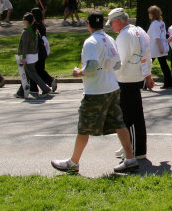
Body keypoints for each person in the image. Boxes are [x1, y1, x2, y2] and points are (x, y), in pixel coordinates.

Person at [51, 11, 138, 174]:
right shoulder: (110, 39)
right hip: (112, 87)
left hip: (95, 91)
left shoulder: (91, 42)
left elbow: (91, 66)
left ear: (88, 24)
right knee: (119, 123)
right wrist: (103, 68)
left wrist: (79, 72)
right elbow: (117, 64)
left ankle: (73, 163)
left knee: (84, 127)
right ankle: (130, 158)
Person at [107, 8, 152, 160]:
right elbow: (147, 55)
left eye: (112, 23)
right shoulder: (138, 30)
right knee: (134, 115)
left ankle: (135, 149)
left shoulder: (124, 35)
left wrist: (107, 73)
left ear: (118, 21)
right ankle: (132, 145)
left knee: (130, 117)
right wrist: (147, 75)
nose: (111, 27)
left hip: (126, 79)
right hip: (135, 77)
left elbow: (120, 61)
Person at [16, 12, 53, 98]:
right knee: (27, 74)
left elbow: (25, 46)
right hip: (34, 55)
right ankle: (20, 92)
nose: (23, 21)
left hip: (28, 56)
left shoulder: (26, 32)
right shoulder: (35, 31)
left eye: (23, 20)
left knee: (33, 75)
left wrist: (24, 58)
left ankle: (46, 89)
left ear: (26, 21)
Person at [29, 7, 56, 96]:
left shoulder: (34, 26)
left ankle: (47, 81)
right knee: (38, 69)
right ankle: (35, 86)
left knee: (35, 70)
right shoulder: (42, 24)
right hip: (43, 50)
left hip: (37, 50)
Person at [147, 6, 172, 89]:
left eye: (150, 13)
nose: (149, 15)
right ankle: (168, 82)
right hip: (161, 45)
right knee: (163, 64)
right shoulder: (161, 22)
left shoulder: (154, 24)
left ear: (153, 14)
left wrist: (160, 48)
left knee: (148, 64)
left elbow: (156, 37)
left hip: (155, 47)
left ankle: (145, 83)